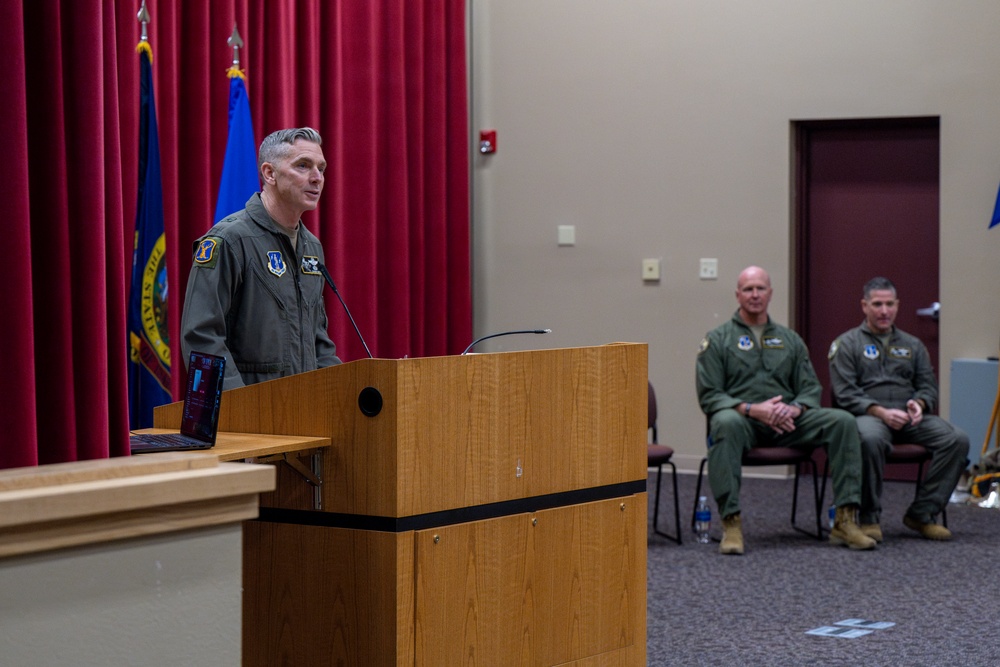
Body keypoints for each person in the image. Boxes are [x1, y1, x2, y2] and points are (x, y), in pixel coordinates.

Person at [696, 265, 875, 554]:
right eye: (748, 289)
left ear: (770, 293)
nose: (755, 295)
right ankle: (731, 524)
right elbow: (710, 395)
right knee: (724, 422)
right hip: (745, 422)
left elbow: (809, 387)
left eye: (760, 288)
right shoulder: (717, 340)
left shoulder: (790, 339)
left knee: (842, 421)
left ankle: (845, 520)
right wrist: (753, 409)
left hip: (789, 424)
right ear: (737, 295)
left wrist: (795, 409)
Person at [181, 127, 341, 389]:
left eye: (321, 168)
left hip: (306, 414)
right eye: (303, 165)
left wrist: (341, 396)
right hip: (250, 418)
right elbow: (202, 337)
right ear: (270, 173)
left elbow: (317, 340)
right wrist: (241, 410)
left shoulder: (311, 247)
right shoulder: (229, 240)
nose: (317, 178)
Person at [828, 277, 969, 541]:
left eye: (889, 304)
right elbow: (844, 394)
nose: (884, 311)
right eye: (877, 304)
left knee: (956, 439)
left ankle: (922, 514)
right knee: (869, 439)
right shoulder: (847, 344)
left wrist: (920, 403)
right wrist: (880, 412)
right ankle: (869, 517)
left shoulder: (912, 345)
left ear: (897, 305)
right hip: (869, 416)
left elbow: (928, 387)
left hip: (908, 418)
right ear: (864, 306)